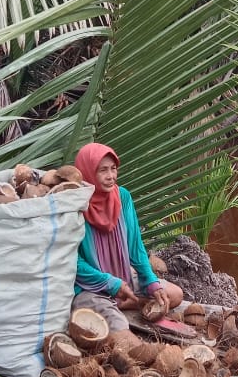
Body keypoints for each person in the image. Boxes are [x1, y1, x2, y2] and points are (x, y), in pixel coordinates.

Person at [71, 143, 182, 337]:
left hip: (124, 279)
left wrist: (151, 281)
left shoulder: (123, 197)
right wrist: (111, 284)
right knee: (120, 329)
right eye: (103, 170)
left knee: (174, 295)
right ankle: (125, 303)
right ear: (87, 171)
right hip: (92, 288)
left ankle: (126, 302)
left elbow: (136, 247)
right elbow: (73, 262)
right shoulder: (76, 206)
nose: (111, 176)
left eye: (113, 169)